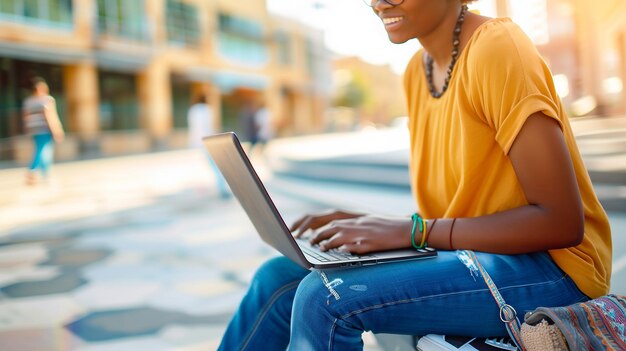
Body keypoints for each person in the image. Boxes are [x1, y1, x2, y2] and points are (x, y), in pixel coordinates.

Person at [218, 0, 612, 350]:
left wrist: (413, 231)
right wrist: (371, 228)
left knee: (325, 297)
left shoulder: (497, 48)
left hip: (553, 271)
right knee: (279, 276)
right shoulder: (416, 71)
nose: (379, 3)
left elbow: (561, 221)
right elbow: (465, 207)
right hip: (475, 253)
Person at [23, 77, 65, 186]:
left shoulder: (28, 101)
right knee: (43, 151)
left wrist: (28, 129)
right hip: (44, 129)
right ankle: (34, 170)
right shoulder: (47, 100)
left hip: (33, 130)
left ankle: (44, 174)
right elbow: (50, 116)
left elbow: (25, 117)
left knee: (41, 150)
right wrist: (57, 130)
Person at [187, 94, 230, 198]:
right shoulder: (207, 110)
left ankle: (221, 187)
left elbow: (193, 127)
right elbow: (211, 126)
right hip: (208, 141)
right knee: (216, 165)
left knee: (211, 165)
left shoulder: (193, 110)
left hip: (197, 142)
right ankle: (222, 188)